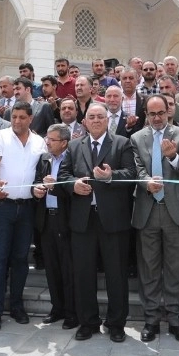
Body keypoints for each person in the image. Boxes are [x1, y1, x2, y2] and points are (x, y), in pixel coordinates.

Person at [58, 102, 137, 343]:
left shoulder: (122, 143)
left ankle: (116, 324)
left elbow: (132, 174)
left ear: (108, 120)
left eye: (100, 117)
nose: (95, 120)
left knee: (116, 274)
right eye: (91, 117)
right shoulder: (73, 146)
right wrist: (73, 185)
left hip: (113, 221)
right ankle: (88, 322)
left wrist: (111, 176)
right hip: (83, 220)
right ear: (85, 121)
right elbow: (63, 176)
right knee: (83, 274)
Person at [131, 95, 179, 344]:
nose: (157, 118)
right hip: (147, 208)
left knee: (176, 267)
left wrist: (173, 157)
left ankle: (177, 319)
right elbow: (136, 168)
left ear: (169, 112)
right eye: (152, 113)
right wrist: (145, 181)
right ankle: (151, 319)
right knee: (148, 267)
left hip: (174, 209)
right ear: (146, 114)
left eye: (161, 113)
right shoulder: (137, 138)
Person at [0, 102, 47, 331]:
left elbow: (42, 171)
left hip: (27, 207)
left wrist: (40, 187)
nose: (17, 121)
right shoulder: (0, 136)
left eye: (21, 117)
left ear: (30, 119)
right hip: (2, 207)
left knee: (20, 259)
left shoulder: (39, 142)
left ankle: (17, 306)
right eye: (14, 117)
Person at [37, 124, 77, 328]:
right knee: (52, 267)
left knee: (68, 268)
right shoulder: (44, 159)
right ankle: (57, 308)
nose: (47, 142)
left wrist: (56, 186)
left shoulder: (72, 159)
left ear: (63, 142)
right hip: (46, 219)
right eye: (47, 138)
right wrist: (37, 189)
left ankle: (71, 312)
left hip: (66, 219)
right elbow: (37, 182)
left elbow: (73, 189)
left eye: (52, 140)